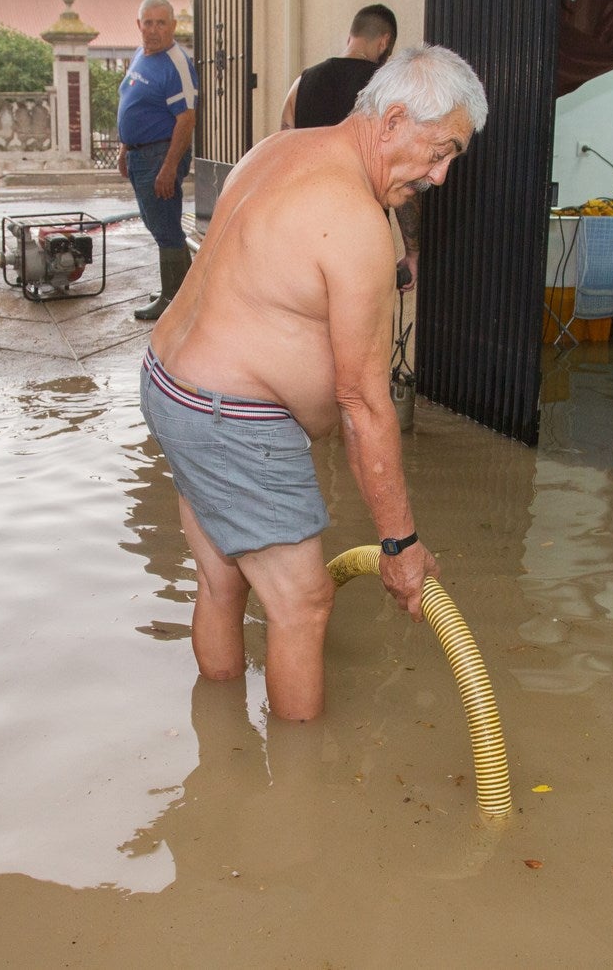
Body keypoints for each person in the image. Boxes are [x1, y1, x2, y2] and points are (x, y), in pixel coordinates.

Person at [140, 45, 487, 720]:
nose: (441, 176)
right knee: (301, 604)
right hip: (230, 418)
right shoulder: (356, 221)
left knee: (221, 580)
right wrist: (400, 543)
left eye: (453, 159)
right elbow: (363, 404)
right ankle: (297, 798)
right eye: (440, 151)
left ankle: (221, 751)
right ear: (391, 122)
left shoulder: (280, 146)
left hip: (170, 386)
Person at [281, 4, 421, 290]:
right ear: (384, 42)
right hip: (363, 240)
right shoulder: (391, 93)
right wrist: (412, 252)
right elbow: (404, 184)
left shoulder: (302, 83)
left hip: (307, 236)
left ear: (351, 37)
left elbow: (284, 156)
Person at [117, 0, 199, 321]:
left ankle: (172, 299)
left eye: (160, 23)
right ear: (139, 26)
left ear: (173, 26)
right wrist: (124, 148)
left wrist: (168, 167)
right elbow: (131, 101)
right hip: (140, 153)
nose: (153, 30)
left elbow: (186, 119)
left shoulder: (176, 63)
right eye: (147, 23)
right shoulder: (142, 54)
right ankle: (183, 292)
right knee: (156, 223)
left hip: (160, 153)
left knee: (165, 226)